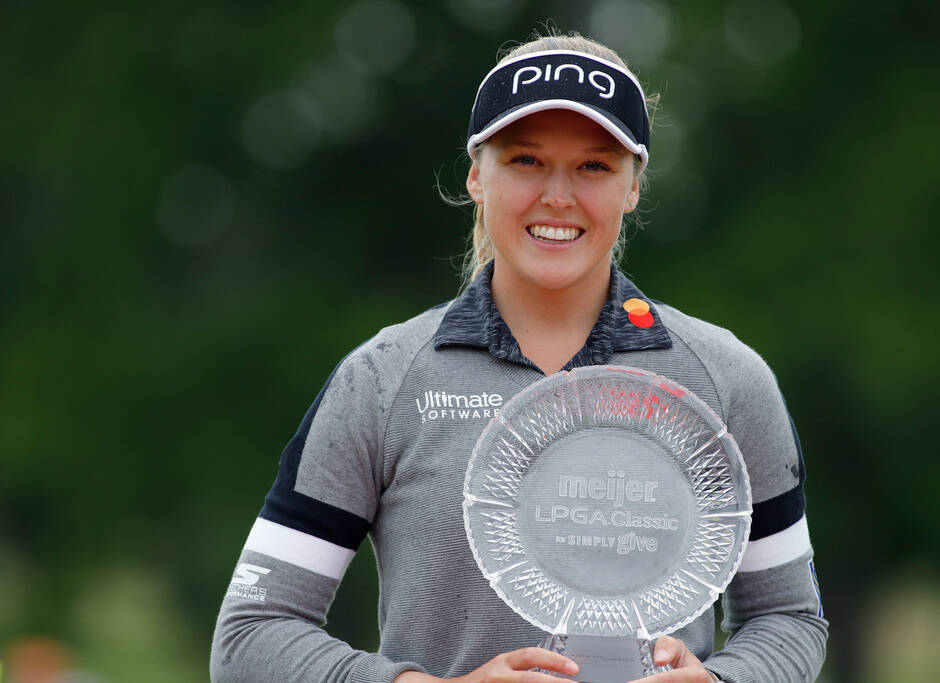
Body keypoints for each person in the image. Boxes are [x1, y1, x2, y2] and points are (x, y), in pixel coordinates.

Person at [211, 31, 828, 683]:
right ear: (478, 174)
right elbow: (251, 637)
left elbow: (790, 618)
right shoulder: (383, 379)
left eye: (594, 165)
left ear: (634, 187)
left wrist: (719, 681)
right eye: (526, 160)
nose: (558, 196)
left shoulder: (726, 378)